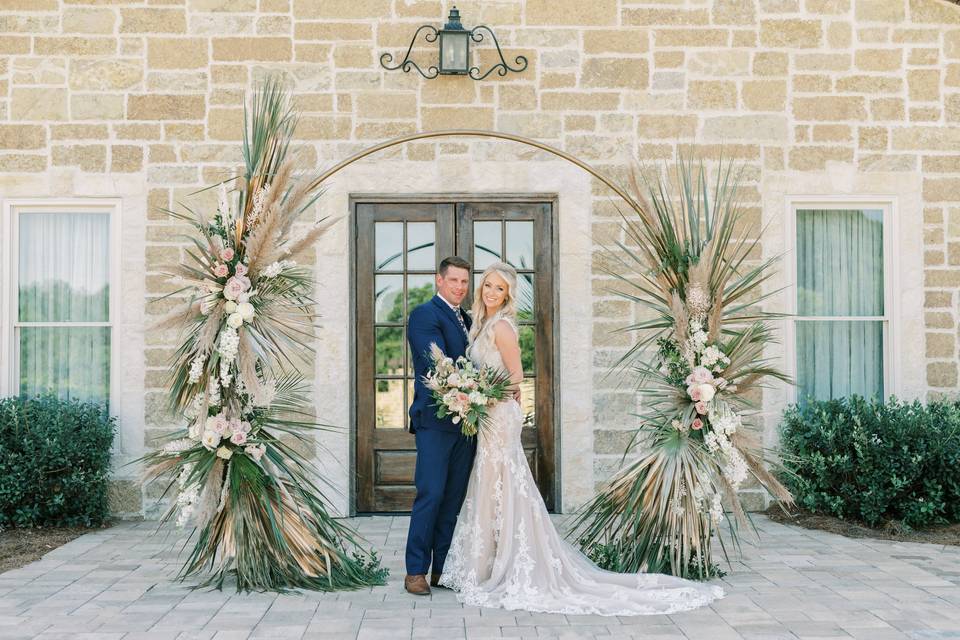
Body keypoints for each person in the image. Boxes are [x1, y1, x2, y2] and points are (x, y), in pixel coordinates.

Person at [439, 261, 725, 615]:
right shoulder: (481, 324)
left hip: (499, 416)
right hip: (489, 417)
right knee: (491, 484)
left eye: (500, 288)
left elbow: (516, 379)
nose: (492, 293)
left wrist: (481, 393)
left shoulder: (502, 328)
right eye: (488, 287)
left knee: (503, 483)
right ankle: (487, 562)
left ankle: (507, 563)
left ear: (508, 294)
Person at [403, 256, 476, 596]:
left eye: (464, 282)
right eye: (454, 281)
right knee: (431, 493)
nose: (460, 287)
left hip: (467, 423)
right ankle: (415, 570)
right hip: (435, 421)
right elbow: (438, 364)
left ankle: (442, 568)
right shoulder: (424, 315)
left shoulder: (469, 318)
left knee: (453, 498)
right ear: (439, 280)